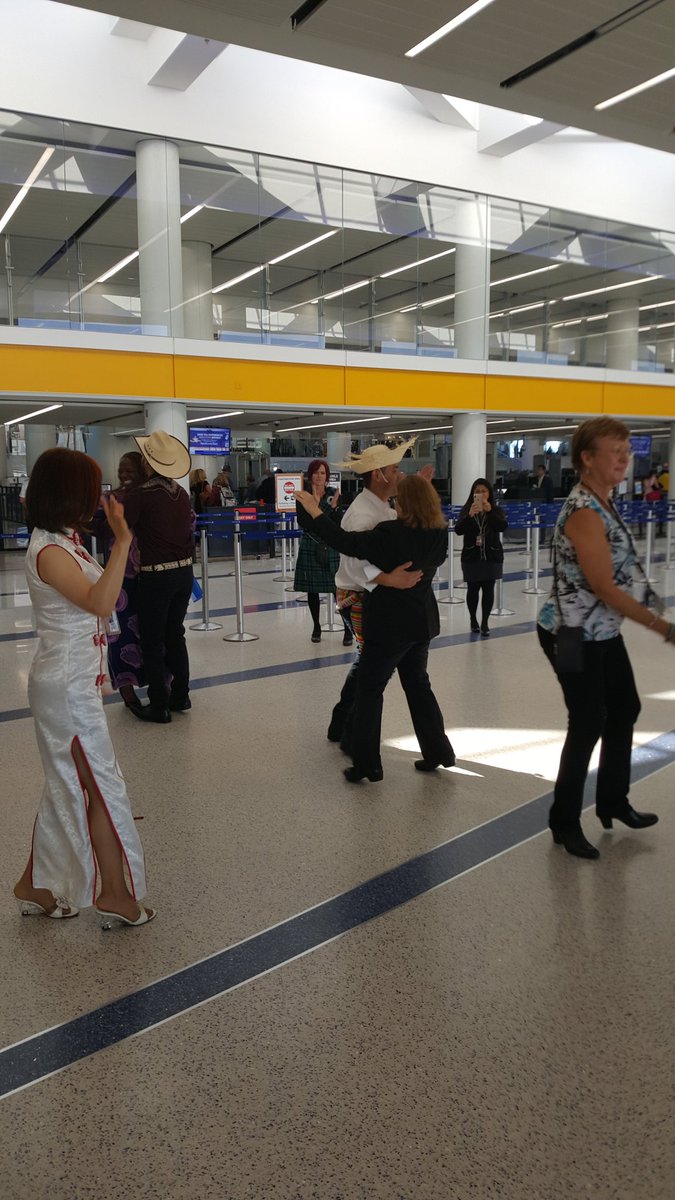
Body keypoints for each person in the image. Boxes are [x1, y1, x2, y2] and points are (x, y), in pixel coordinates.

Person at [13, 447, 154, 928]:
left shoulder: (63, 541)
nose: (98, 499)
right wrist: (120, 540)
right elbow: (99, 601)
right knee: (101, 785)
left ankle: (34, 884)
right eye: (90, 490)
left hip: (73, 682)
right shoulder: (50, 551)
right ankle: (115, 892)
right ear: (67, 494)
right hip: (65, 690)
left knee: (68, 787)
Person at [537, 416, 662, 860]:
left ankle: (612, 801)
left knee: (624, 707)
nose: (624, 459)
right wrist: (662, 627)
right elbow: (604, 587)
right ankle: (564, 820)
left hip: (602, 631)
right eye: (615, 451)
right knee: (588, 720)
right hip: (569, 633)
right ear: (587, 459)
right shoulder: (584, 512)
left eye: (626, 451)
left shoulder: (603, 500)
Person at [296, 474, 455, 782]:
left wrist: (316, 512)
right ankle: (438, 751)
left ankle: (368, 764)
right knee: (419, 686)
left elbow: (345, 542)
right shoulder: (438, 531)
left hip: (389, 626)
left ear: (405, 503)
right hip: (421, 623)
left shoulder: (390, 533)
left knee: (370, 690)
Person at [326, 435, 419, 747]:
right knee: (371, 664)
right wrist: (391, 580)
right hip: (356, 597)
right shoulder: (362, 514)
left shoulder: (380, 506)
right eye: (394, 470)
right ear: (378, 475)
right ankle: (347, 725)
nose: (398, 475)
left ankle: (342, 722)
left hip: (370, 598)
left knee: (369, 662)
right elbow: (354, 567)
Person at [122, 430, 194, 724]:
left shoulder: (141, 494)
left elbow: (121, 528)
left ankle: (159, 705)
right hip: (184, 573)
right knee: (175, 634)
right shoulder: (182, 494)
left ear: (147, 463)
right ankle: (181, 695)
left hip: (155, 577)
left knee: (151, 640)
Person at [103, 451, 148, 710]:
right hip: (119, 578)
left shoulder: (149, 497)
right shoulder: (111, 499)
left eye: (130, 471)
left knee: (152, 633)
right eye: (121, 470)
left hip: (149, 576)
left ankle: (159, 681)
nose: (124, 475)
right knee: (120, 635)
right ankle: (127, 690)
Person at [294, 458, 352, 645]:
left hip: (331, 544)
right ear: (310, 475)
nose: (320, 476)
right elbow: (305, 523)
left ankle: (347, 629)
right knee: (312, 589)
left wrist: (331, 508)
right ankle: (316, 627)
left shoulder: (334, 494)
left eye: (323, 473)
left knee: (339, 589)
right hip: (311, 544)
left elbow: (336, 523)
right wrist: (318, 505)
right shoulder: (303, 496)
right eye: (316, 472)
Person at [455, 478, 508, 637]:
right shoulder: (467, 510)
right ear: (473, 494)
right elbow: (459, 530)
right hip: (472, 555)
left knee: (488, 589)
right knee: (472, 589)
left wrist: (490, 512)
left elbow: (502, 527)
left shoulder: (496, 510)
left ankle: (485, 622)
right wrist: (470, 515)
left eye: (484, 491)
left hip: (491, 555)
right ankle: (473, 619)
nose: (481, 494)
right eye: (477, 491)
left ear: (489, 493)